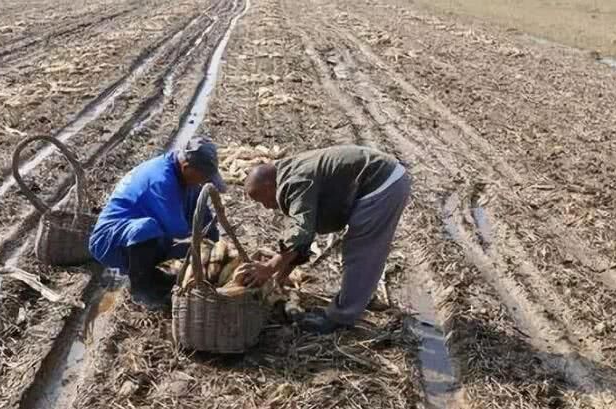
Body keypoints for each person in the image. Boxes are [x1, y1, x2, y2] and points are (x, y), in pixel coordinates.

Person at [244, 145, 411, 334]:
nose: (266, 207)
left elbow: (301, 232)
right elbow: (304, 232)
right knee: (364, 253)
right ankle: (360, 296)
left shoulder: (295, 181)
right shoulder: (287, 173)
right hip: (386, 178)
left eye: (261, 200)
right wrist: (281, 275)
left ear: (268, 186)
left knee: (361, 252)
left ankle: (340, 317)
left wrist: (269, 267)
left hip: (382, 184)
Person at [89, 136, 226, 310]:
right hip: (110, 241)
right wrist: (200, 245)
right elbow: (177, 228)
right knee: (147, 229)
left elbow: (200, 211)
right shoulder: (161, 180)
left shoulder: (182, 174)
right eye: (203, 177)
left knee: (186, 238)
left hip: (143, 236)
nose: (204, 181)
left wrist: (215, 243)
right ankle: (141, 291)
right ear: (186, 167)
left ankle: (153, 276)